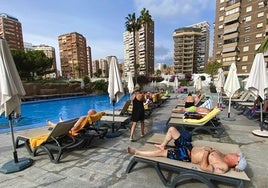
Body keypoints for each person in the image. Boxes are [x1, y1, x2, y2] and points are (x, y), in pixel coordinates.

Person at [126, 127, 247, 174]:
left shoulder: (223, 166)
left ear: (236, 162)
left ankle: (137, 153)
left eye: (238, 156)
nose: (236, 153)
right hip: (189, 147)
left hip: (186, 155)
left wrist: (205, 151)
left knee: (161, 154)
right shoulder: (224, 155)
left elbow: (204, 167)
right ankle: (163, 144)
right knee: (172, 129)